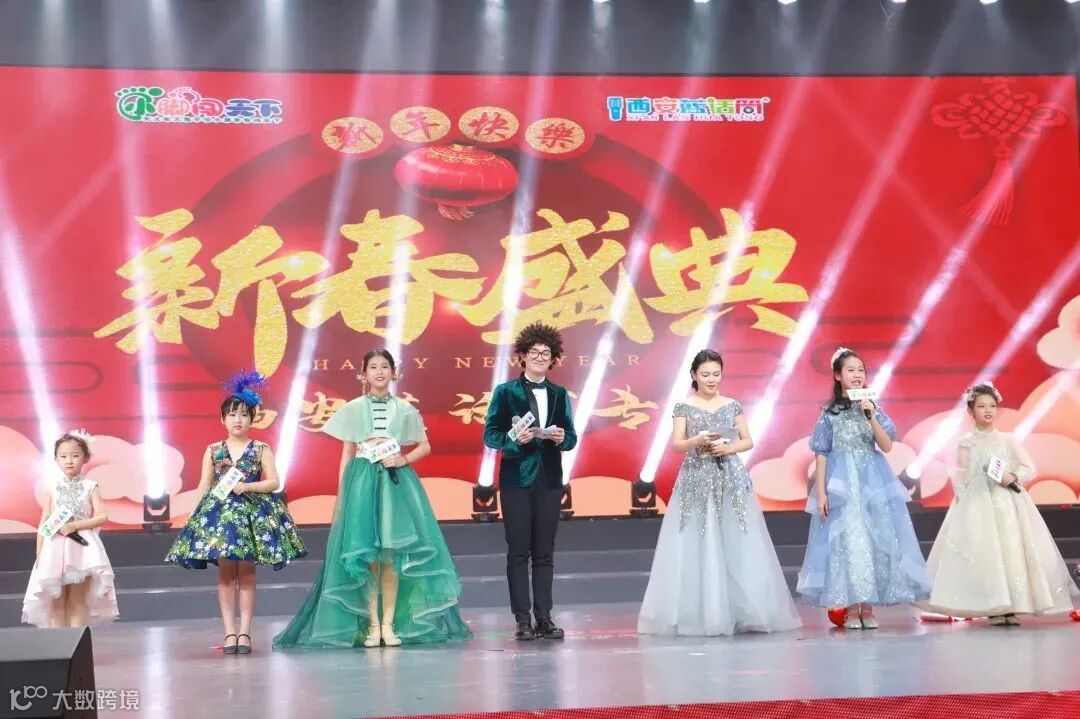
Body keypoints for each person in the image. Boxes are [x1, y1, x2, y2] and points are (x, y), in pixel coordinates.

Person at [274, 349, 470, 649]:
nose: (379, 372)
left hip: (394, 484)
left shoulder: (404, 409)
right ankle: (372, 626)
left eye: (384, 366)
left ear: (394, 372)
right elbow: (347, 454)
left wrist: (403, 460)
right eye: (373, 367)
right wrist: (343, 494)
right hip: (363, 482)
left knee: (390, 557)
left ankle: (388, 625)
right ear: (363, 374)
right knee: (367, 559)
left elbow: (425, 446)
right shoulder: (353, 408)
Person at [638, 350, 801, 636]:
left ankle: (742, 611)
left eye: (716, 374)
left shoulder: (731, 404)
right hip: (697, 476)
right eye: (705, 374)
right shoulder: (684, 406)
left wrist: (729, 447)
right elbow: (677, 444)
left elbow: (747, 440)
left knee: (737, 539)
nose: (711, 379)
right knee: (698, 539)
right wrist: (698, 440)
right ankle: (704, 612)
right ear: (694, 375)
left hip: (730, 476)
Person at [165, 370, 307, 654]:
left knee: (248, 574)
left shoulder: (261, 448)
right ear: (223, 419)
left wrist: (248, 486)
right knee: (226, 575)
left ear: (252, 419)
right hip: (220, 518)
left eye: (243, 414)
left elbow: (274, 481)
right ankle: (230, 632)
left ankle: (245, 633)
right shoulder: (213, 450)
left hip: (252, 517)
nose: (238, 420)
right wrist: (194, 518)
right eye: (232, 414)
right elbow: (204, 486)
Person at [922, 382, 1078, 625]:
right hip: (978, 502)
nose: (988, 410)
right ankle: (994, 608)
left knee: (1011, 551)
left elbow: (1029, 468)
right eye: (981, 406)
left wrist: (1013, 476)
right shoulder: (966, 441)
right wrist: (963, 502)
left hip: (1007, 502)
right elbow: (961, 475)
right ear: (970, 411)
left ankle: (1012, 607)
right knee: (987, 552)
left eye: (992, 406)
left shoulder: (1007, 440)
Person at [796, 347, 930, 629]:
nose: (857, 375)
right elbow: (821, 453)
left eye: (860, 370)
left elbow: (886, 445)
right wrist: (821, 493)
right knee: (849, 539)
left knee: (874, 538)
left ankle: (868, 608)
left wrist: (870, 415)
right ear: (838, 375)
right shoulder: (829, 413)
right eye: (850, 370)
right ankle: (852, 606)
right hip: (842, 483)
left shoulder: (873, 408)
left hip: (872, 480)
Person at [483, 322, 578, 640]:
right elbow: (490, 435)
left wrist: (562, 438)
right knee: (518, 551)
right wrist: (515, 440)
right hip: (516, 480)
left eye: (546, 353)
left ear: (553, 359)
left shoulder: (559, 394)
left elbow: (571, 437)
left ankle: (545, 618)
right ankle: (522, 619)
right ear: (522, 356)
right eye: (534, 352)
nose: (540, 357)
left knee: (545, 552)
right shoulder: (505, 392)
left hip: (549, 479)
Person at [23, 431, 118, 628]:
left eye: (75, 455)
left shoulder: (90, 486)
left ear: (85, 458)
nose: (69, 460)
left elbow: (102, 516)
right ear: (56, 459)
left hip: (82, 549)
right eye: (63, 456)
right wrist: (39, 554)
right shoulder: (52, 488)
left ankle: (77, 644)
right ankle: (58, 645)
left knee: (78, 601)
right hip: (54, 548)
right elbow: (44, 523)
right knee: (56, 602)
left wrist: (75, 525)